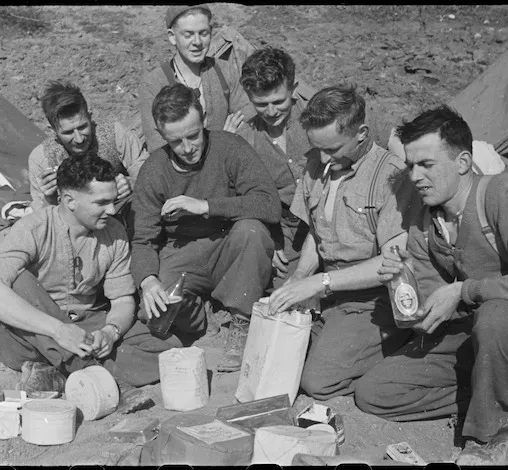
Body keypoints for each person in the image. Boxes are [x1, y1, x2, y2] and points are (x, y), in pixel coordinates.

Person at [355, 105, 508, 465]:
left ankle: (488, 440)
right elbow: (427, 306)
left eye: (427, 164)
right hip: (483, 339)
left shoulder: (505, 196)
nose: (415, 176)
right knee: (375, 392)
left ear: (463, 162)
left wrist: (463, 291)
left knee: (496, 315)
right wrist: (402, 282)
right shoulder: (427, 221)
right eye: (410, 165)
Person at [0, 156, 176, 393]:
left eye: (113, 201)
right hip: (29, 335)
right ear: (70, 201)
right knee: (20, 282)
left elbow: (121, 300)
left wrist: (110, 333)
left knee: (168, 345)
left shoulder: (115, 233)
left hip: (82, 328)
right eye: (101, 203)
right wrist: (58, 331)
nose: (111, 210)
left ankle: (59, 375)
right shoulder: (34, 228)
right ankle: (95, 376)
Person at [268, 84, 418, 399]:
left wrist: (318, 283)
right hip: (329, 291)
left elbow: (393, 263)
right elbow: (316, 230)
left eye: (333, 149)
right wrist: (299, 276)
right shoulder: (316, 163)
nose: (323, 158)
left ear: (362, 133)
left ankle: (404, 344)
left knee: (316, 382)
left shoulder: (392, 176)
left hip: (373, 299)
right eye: (316, 147)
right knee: (281, 360)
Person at [131, 83, 281, 372]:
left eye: (193, 136)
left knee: (252, 230)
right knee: (154, 312)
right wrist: (148, 281)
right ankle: (202, 317)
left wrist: (207, 206)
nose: (187, 149)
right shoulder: (154, 170)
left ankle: (240, 319)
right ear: (162, 136)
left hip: (230, 247)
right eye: (176, 142)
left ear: (204, 121)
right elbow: (143, 239)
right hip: (183, 254)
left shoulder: (230, 147)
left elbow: (268, 204)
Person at [29, 79, 149, 236]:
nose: (79, 139)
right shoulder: (42, 159)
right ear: (52, 131)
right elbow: (40, 223)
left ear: (91, 117)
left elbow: (150, 175)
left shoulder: (115, 134)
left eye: (83, 127)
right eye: (68, 133)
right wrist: (49, 199)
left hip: (121, 214)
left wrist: (132, 183)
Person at [237, 47, 311, 288]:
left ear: (294, 88)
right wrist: (272, 236)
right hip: (288, 229)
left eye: (279, 101)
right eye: (261, 104)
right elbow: (247, 197)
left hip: (330, 219)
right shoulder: (247, 136)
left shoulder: (317, 118)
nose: (271, 112)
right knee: (289, 295)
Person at [137, 4, 254, 152]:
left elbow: (247, 118)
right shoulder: (153, 84)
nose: (197, 42)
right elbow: (158, 146)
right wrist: (221, 140)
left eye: (203, 33)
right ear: (172, 37)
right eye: (188, 35)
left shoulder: (225, 70)